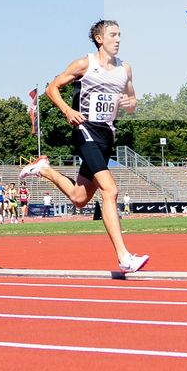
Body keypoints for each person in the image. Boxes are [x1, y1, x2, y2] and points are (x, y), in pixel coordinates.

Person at [19, 19, 150, 272]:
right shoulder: (84, 64)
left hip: (107, 136)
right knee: (110, 191)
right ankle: (124, 257)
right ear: (100, 39)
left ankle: (44, 169)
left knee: (79, 198)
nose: (118, 39)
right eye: (113, 35)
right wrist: (68, 110)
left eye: (120, 35)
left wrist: (129, 103)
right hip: (85, 130)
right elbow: (52, 88)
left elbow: (132, 102)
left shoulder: (126, 69)